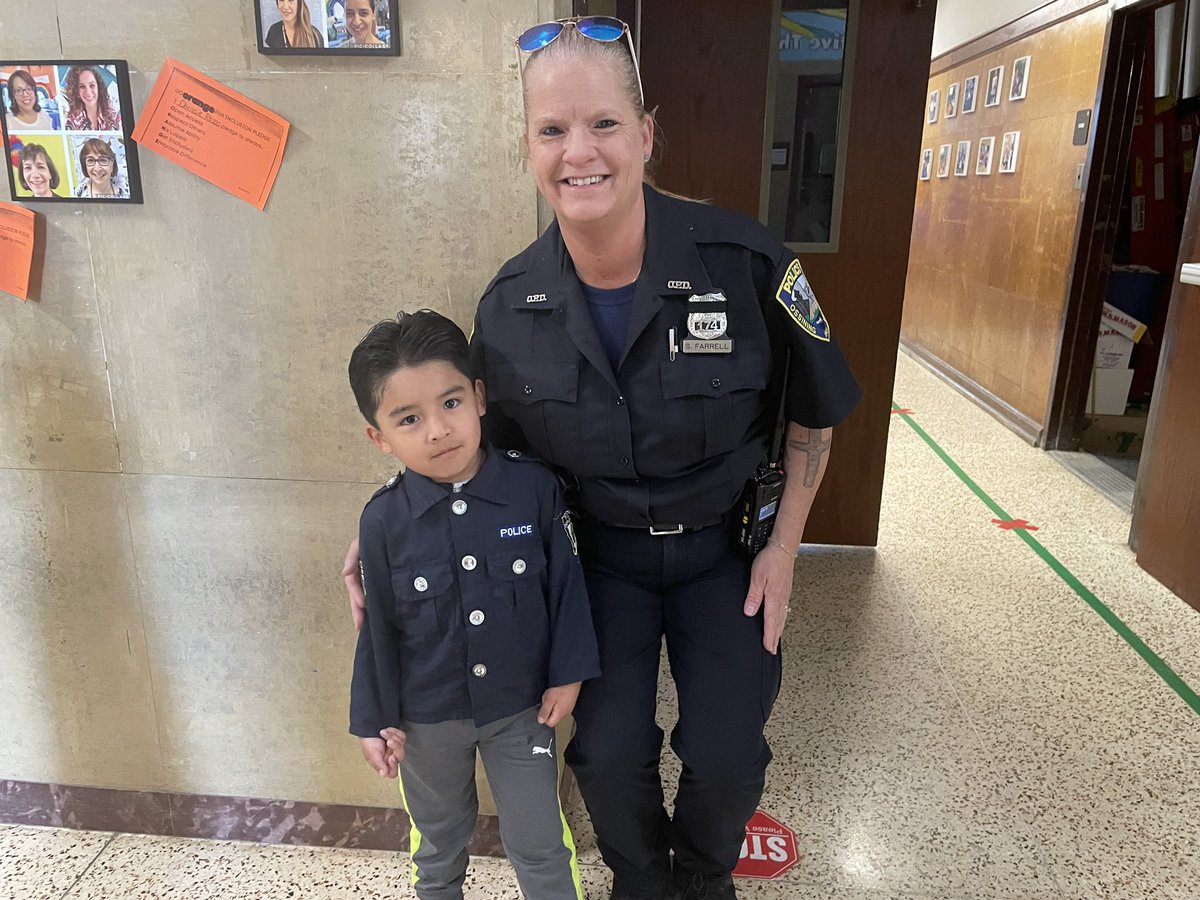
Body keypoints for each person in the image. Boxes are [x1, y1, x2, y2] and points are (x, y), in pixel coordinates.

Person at [343, 16, 861, 900]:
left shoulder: (747, 263)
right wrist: (392, 522)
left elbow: (814, 415)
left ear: (646, 133)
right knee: (606, 747)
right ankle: (639, 883)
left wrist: (783, 549)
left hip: (727, 555)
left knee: (728, 748)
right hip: (594, 565)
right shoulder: (508, 308)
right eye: (552, 130)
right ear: (529, 147)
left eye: (604, 124)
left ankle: (702, 881)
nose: (579, 152)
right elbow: (475, 454)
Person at [347, 310, 600, 900]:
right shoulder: (382, 520)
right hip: (424, 719)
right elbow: (376, 628)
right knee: (436, 845)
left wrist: (569, 674)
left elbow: (566, 585)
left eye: (451, 403)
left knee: (540, 842)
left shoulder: (533, 489)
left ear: (480, 398)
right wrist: (372, 717)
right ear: (379, 437)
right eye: (409, 419)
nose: (437, 430)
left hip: (521, 708)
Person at [62, 66, 121, 131]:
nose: (88, 92)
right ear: (76, 91)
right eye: (82, 87)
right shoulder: (71, 121)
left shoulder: (114, 118)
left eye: (92, 85)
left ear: (99, 87)